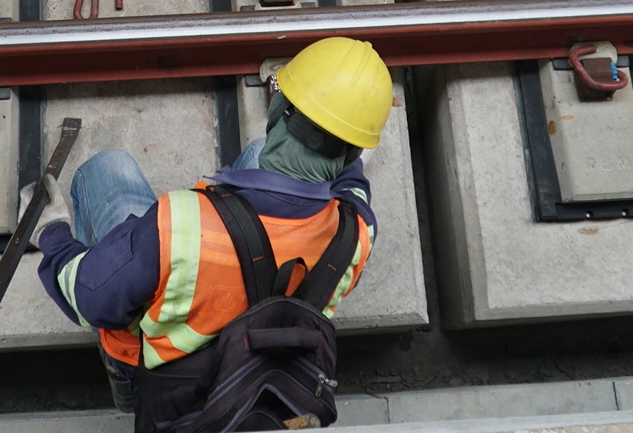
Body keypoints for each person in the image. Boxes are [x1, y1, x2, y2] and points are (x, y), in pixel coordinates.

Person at [29, 37, 391, 426]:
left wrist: (51, 231)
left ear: (278, 108)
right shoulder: (355, 234)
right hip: (260, 373)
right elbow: (354, 189)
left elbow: (87, 298)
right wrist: (344, 139)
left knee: (108, 168)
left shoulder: (181, 224)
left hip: (176, 393)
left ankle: (123, 381)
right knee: (259, 153)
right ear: (353, 154)